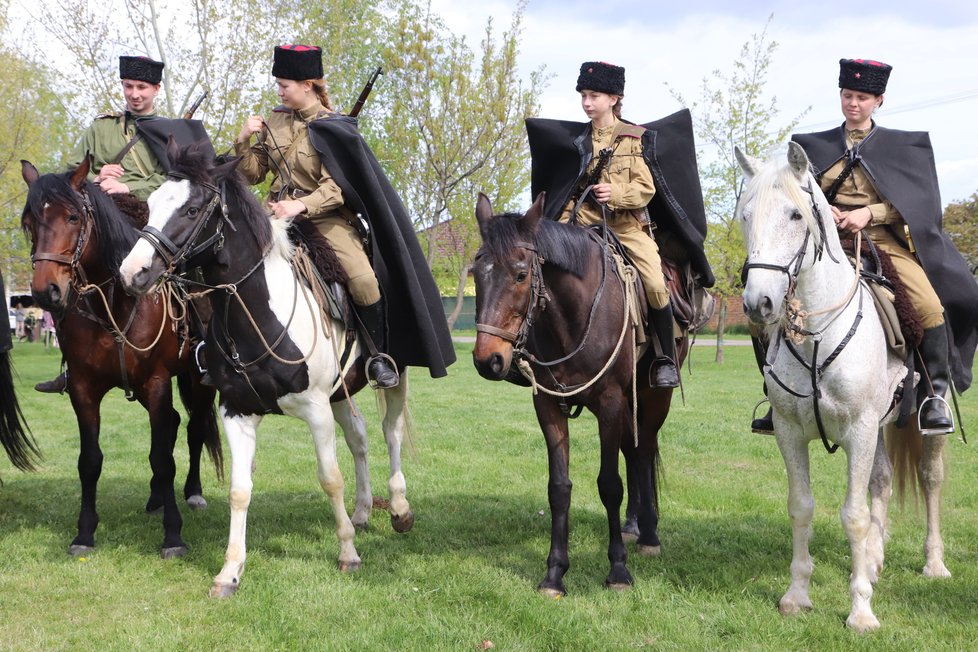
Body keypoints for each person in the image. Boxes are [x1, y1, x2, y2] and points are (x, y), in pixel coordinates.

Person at [751, 58, 978, 435]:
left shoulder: (904, 147)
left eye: (861, 97)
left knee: (928, 304)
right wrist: (828, 212)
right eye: (847, 95)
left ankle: (933, 397)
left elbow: (918, 204)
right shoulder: (812, 146)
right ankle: (774, 396)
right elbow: (797, 195)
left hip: (883, 242)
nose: (852, 103)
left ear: (879, 101)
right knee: (771, 302)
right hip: (827, 240)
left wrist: (868, 214)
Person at [234, 44, 456, 387]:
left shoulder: (335, 126)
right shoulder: (274, 120)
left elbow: (338, 187)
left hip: (324, 219)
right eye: (278, 84)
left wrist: (301, 205)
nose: (279, 90)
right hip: (272, 215)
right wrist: (243, 140)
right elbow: (252, 174)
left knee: (364, 280)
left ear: (307, 84)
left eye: (285, 85)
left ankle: (378, 356)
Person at [528, 62, 713, 388]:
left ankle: (665, 359)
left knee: (656, 283)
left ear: (614, 98)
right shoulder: (576, 140)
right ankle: (528, 351)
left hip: (626, 226)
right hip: (581, 223)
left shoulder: (632, 139)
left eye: (594, 95)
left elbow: (646, 189)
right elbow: (566, 187)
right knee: (536, 267)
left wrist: (615, 193)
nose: (586, 102)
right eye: (583, 95)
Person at [36, 54, 168, 394]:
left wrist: (129, 187)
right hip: (99, 217)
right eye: (128, 86)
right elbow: (67, 175)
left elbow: (175, 181)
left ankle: (200, 347)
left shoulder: (169, 131)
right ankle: (71, 363)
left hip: (148, 217)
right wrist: (96, 176)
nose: (134, 94)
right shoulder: (101, 127)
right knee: (65, 262)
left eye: (142, 87)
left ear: (156, 89)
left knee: (188, 275)